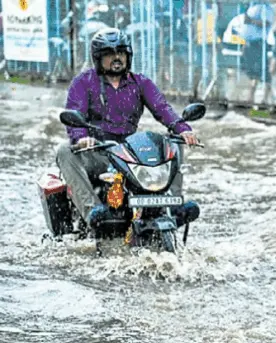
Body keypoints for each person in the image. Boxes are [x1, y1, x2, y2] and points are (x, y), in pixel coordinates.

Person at [56, 28, 200, 229]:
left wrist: (182, 129)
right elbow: (74, 111)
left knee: (173, 143)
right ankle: (93, 212)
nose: (117, 58)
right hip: (97, 150)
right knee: (64, 150)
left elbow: (162, 108)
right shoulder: (83, 82)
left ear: (128, 56)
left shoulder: (140, 82)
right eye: (109, 54)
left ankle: (172, 206)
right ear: (98, 58)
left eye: (121, 53)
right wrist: (81, 138)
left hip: (129, 152)